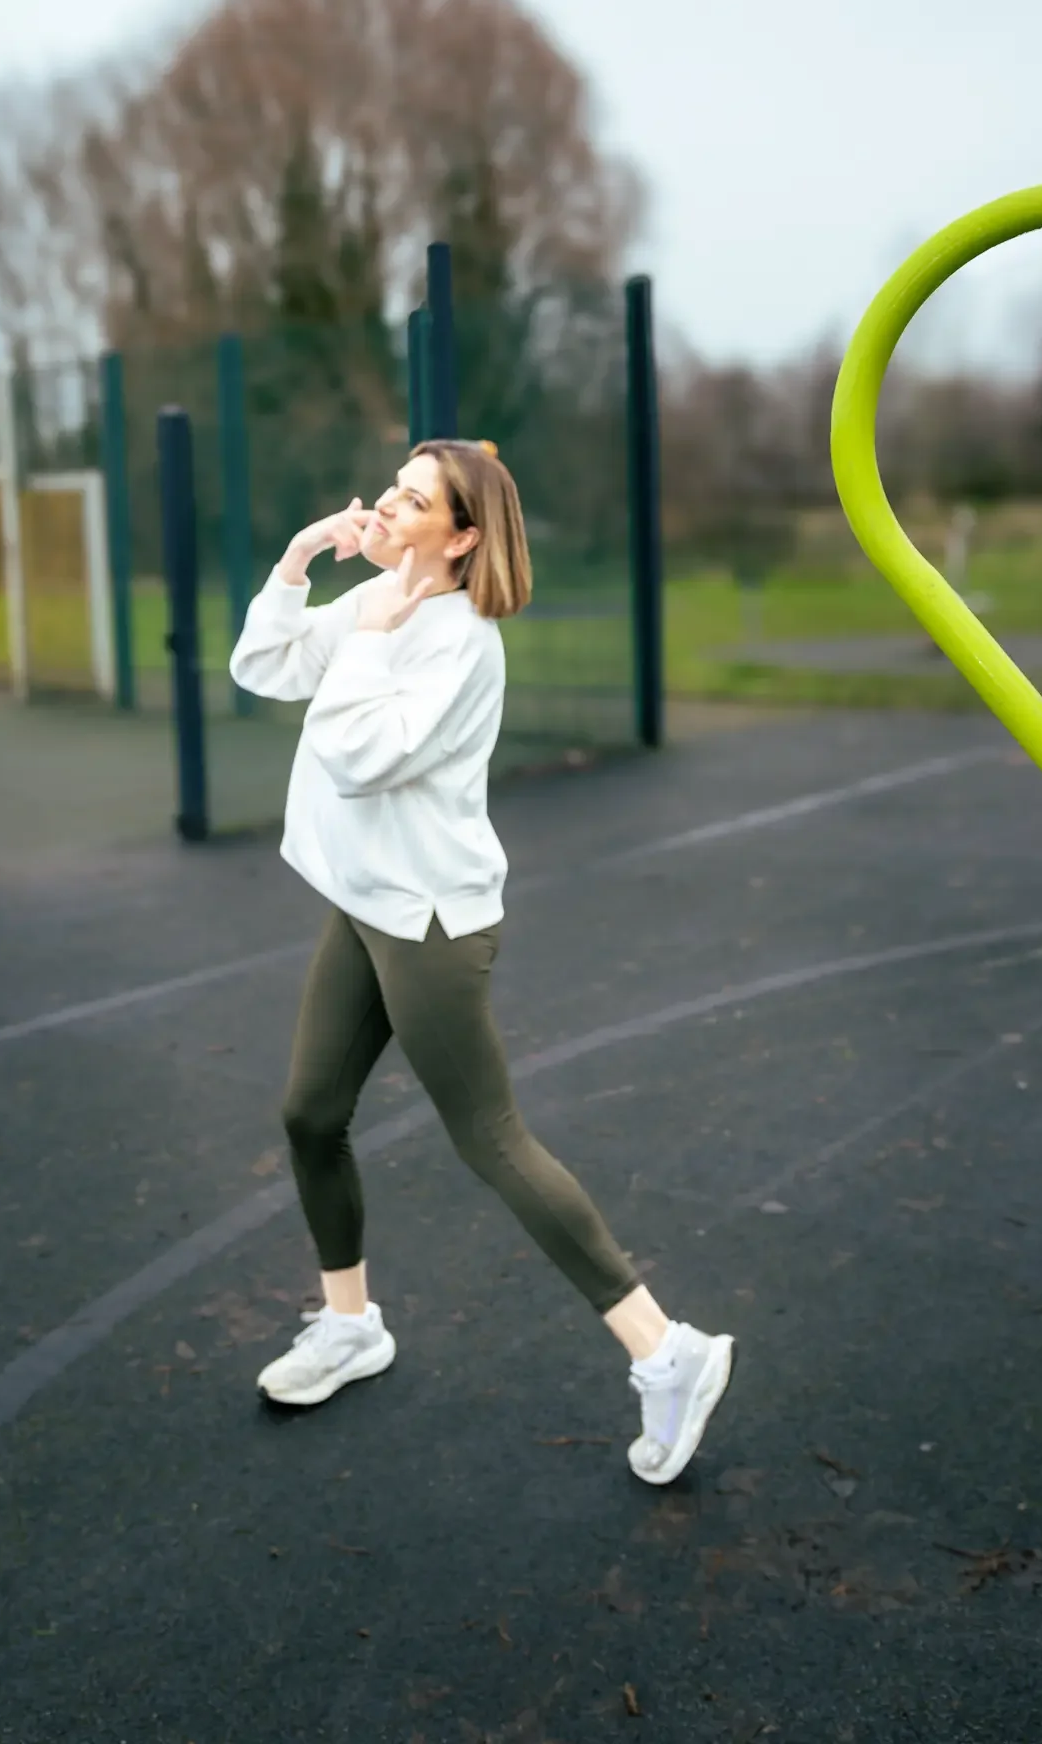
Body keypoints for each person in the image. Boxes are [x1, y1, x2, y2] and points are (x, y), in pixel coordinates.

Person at [229, 437, 737, 1487]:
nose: (385, 507)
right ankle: (351, 1322)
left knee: (492, 1137)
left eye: (413, 502)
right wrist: (299, 559)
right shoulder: (381, 609)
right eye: (392, 489)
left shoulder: (458, 644)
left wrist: (369, 630)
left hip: (428, 923)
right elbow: (263, 665)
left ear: (459, 538)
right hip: (366, 902)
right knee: (310, 1113)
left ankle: (666, 1349)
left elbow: (357, 759)